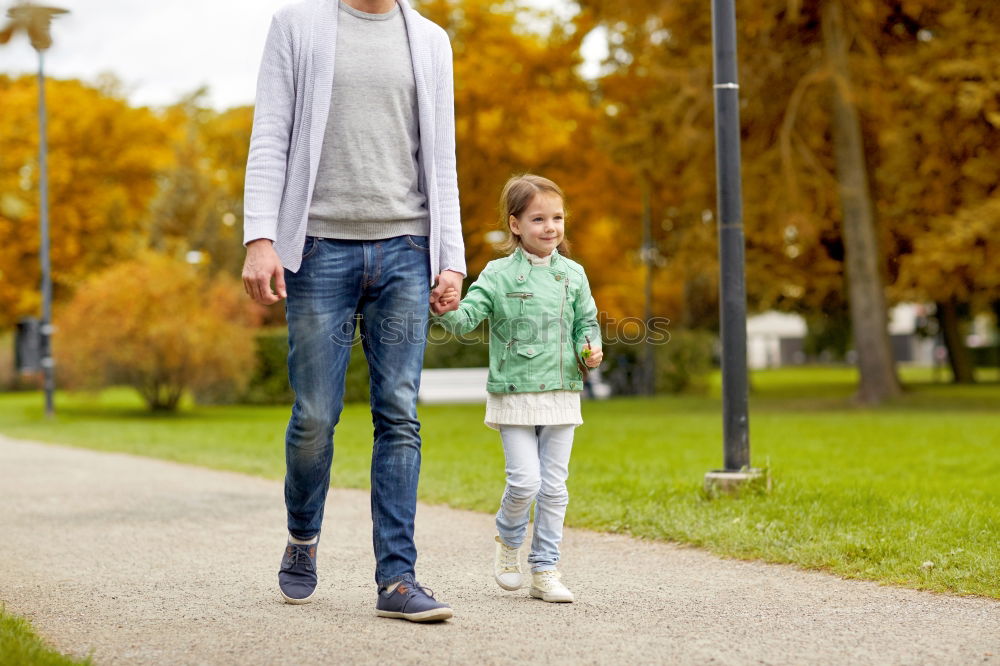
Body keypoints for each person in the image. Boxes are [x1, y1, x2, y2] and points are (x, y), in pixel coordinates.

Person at [240, 0, 465, 623]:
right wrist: (261, 236)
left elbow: (440, 155)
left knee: (399, 411)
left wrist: (451, 257)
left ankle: (397, 579)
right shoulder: (298, 27)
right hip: (317, 250)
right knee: (316, 414)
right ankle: (303, 535)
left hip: (407, 250)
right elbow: (270, 134)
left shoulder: (430, 39)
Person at [434, 174, 602, 603]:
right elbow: (467, 317)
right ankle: (508, 541)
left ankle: (545, 569)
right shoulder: (497, 274)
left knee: (554, 488)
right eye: (538, 218)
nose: (551, 227)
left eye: (557, 217)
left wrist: (590, 349)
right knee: (526, 482)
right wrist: (447, 308)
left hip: (562, 391)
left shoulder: (573, 275)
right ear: (515, 225)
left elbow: (587, 324)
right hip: (514, 393)